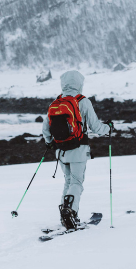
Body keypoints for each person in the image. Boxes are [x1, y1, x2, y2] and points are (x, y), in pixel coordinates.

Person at [42, 70, 109, 229]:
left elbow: (46, 127)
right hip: (78, 149)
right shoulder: (83, 101)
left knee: (68, 182)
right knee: (77, 182)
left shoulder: (56, 102)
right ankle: (70, 212)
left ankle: (66, 214)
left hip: (61, 151)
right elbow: (96, 127)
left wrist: (49, 142)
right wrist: (109, 128)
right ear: (79, 83)